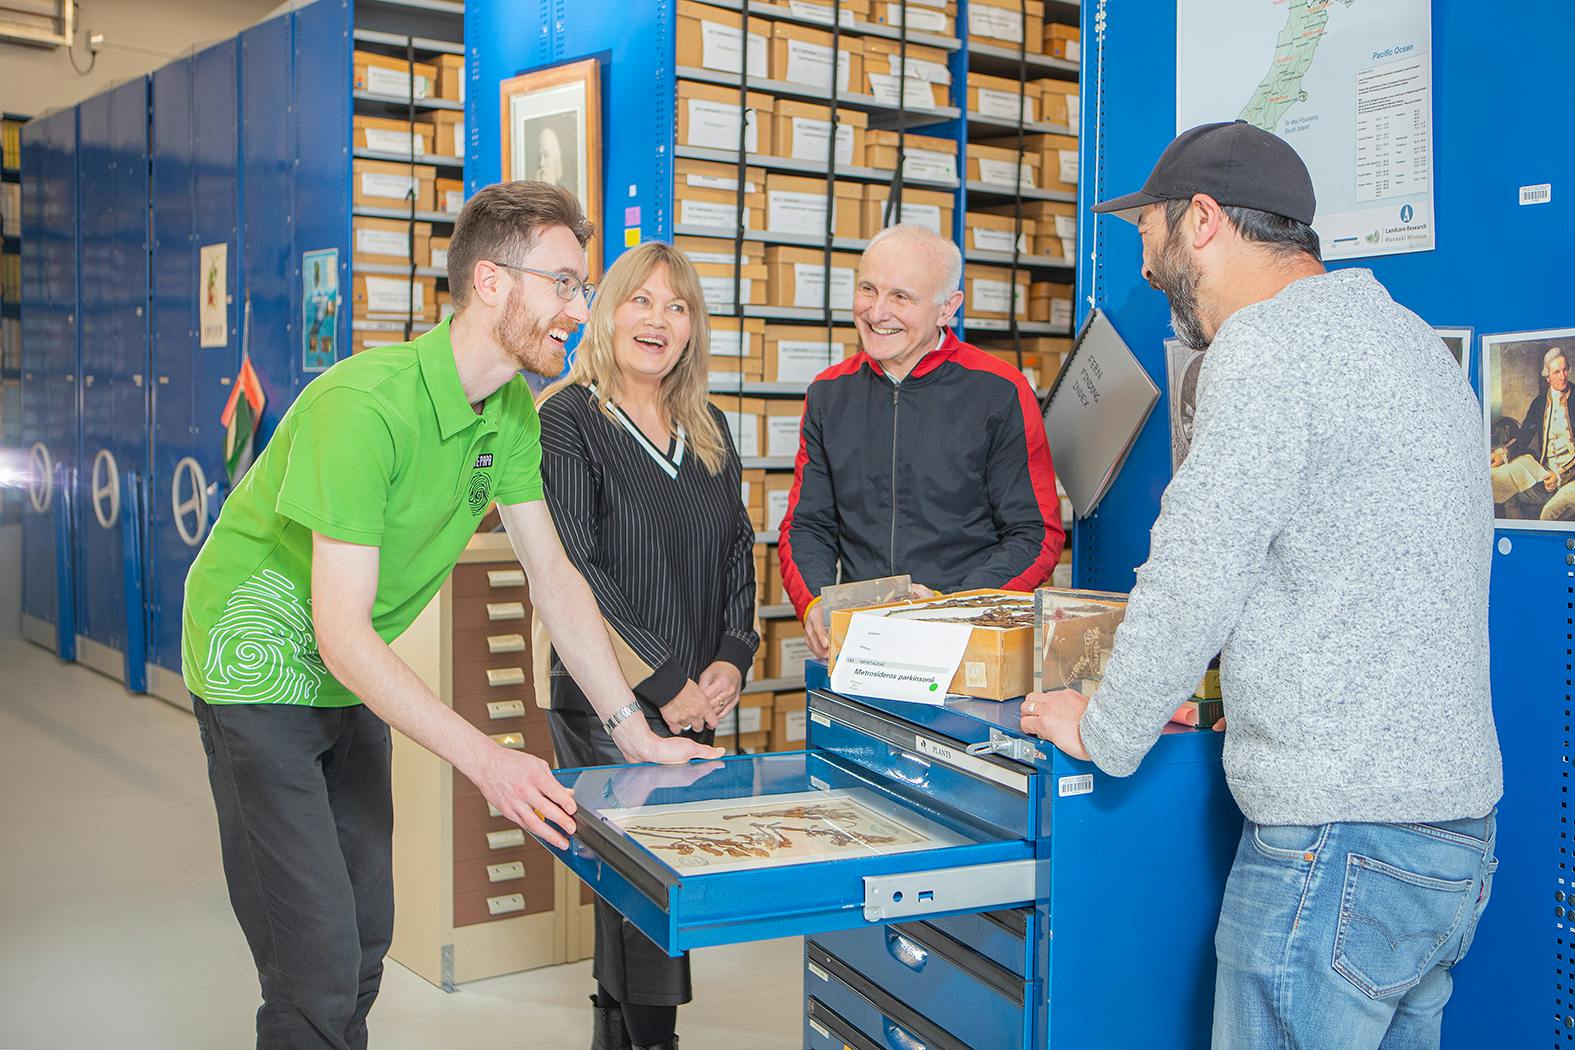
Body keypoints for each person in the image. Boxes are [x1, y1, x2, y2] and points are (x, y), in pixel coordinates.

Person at [181, 182, 720, 1050]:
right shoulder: (365, 406)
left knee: (362, 942)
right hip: (256, 669)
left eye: (580, 290)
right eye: (563, 285)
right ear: (492, 282)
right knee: (312, 967)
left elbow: (554, 578)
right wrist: (488, 762)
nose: (580, 312)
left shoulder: (507, 410)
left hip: (347, 670)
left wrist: (633, 731)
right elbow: (340, 631)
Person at [1017, 121, 1502, 1049]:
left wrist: (1107, 727)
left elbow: (1195, 567)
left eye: (1151, 240)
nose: (1152, 275)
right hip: (1452, 834)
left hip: (1335, 844)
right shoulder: (1407, 343)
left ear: (1201, 221)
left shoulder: (1266, 348)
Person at [534, 241, 758, 1050]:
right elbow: (575, 565)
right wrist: (664, 684)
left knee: (643, 882)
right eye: (640, 300)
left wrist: (732, 655)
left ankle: (614, 1038)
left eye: (677, 306)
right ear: (606, 310)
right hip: (606, 695)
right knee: (647, 880)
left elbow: (738, 548)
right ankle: (653, 1042)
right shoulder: (567, 419)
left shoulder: (707, 426)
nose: (657, 320)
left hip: (696, 693)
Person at [778, 224, 1064, 657]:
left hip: (966, 643)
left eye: (901, 297)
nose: (876, 312)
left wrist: (955, 607)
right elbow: (807, 524)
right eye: (868, 290)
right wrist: (815, 601)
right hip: (861, 646)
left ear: (947, 308)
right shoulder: (829, 393)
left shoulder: (999, 391)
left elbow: (1036, 535)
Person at [1492, 346, 1574, 519]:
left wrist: (1560, 476)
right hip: (1546, 475)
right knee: (1509, 493)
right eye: (1557, 372)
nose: (1563, 376)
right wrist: (1504, 454)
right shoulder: (1540, 403)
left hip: (1571, 480)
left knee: (1547, 516)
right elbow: (1524, 436)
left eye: (1565, 369)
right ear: (1547, 377)